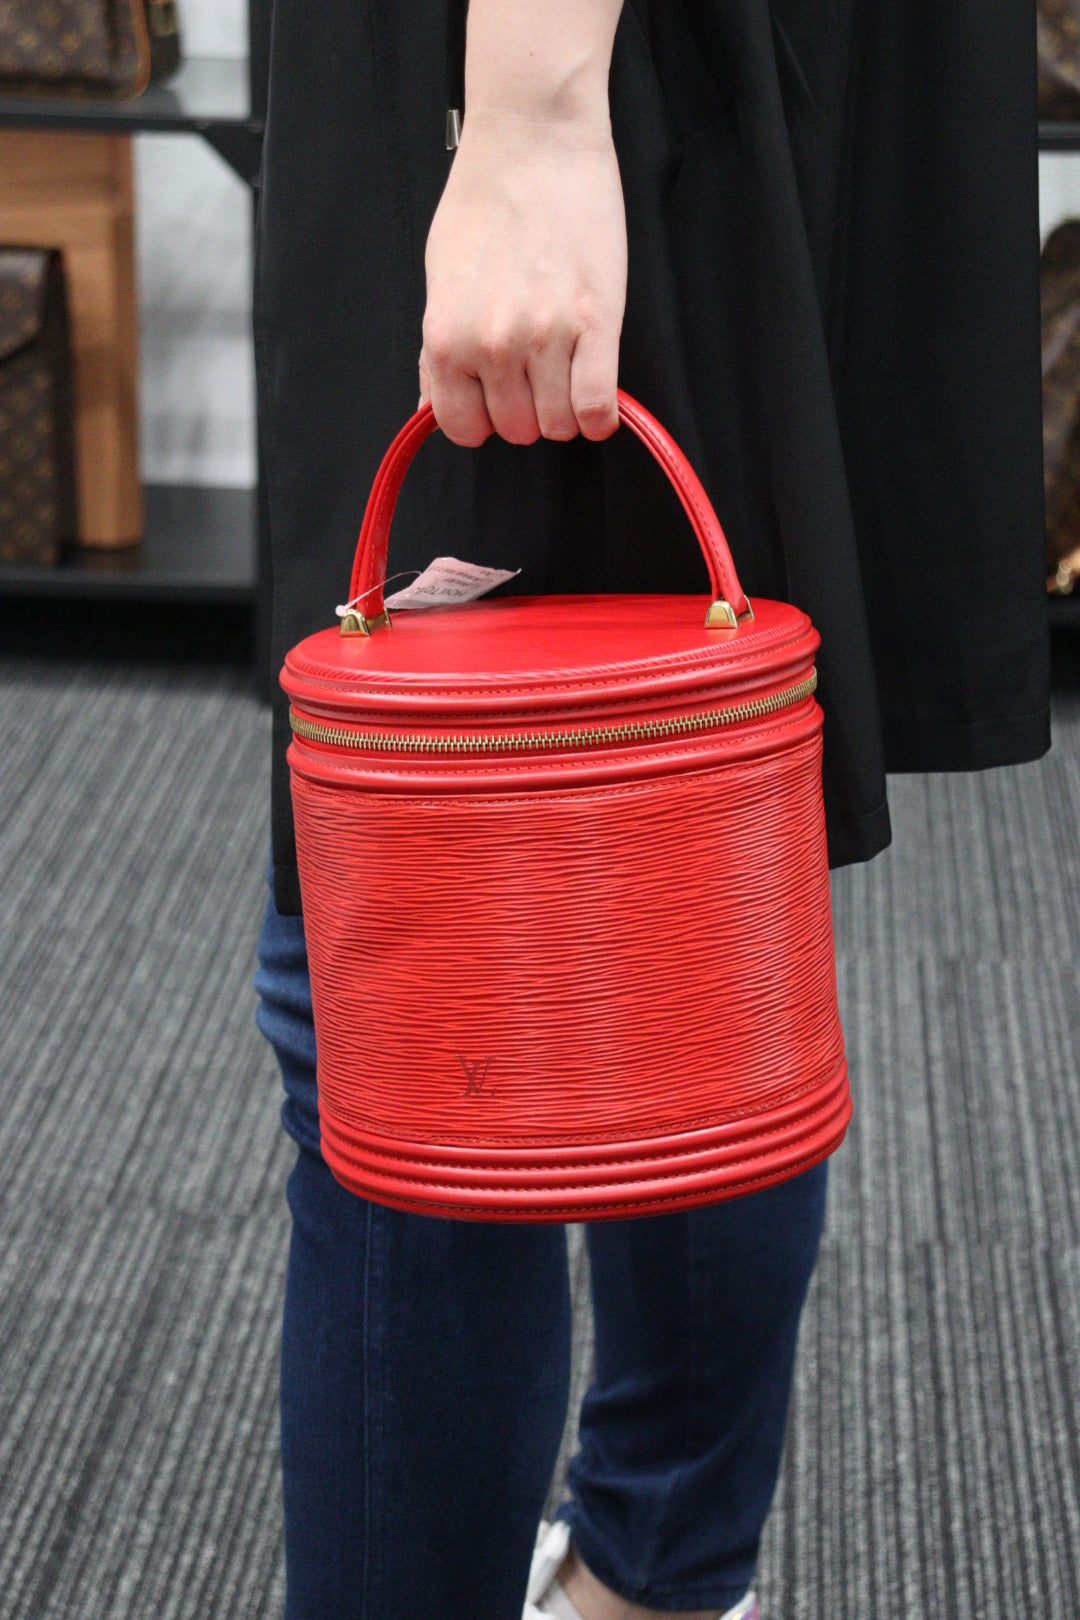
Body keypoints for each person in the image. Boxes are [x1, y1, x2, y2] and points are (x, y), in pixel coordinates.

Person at [253, 3, 1051, 1616]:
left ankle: (652, 1563)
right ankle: (660, 1568)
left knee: (414, 986)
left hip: (544, 58)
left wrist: (532, 119)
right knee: (694, 860)